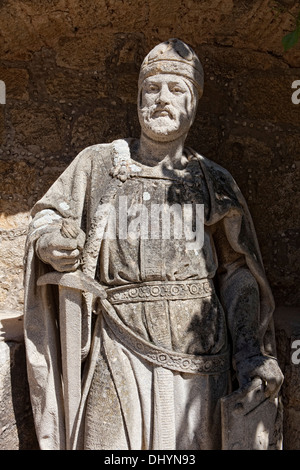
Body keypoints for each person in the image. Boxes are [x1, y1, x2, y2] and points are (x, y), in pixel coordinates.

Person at [24, 38, 283, 450]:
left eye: (177, 90)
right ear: (138, 98)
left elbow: (238, 273)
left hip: (200, 350)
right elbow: (47, 217)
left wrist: (250, 354)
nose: (162, 99)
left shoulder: (215, 182)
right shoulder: (99, 163)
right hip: (118, 341)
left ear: (194, 102)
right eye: (152, 89)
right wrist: (50, 243)